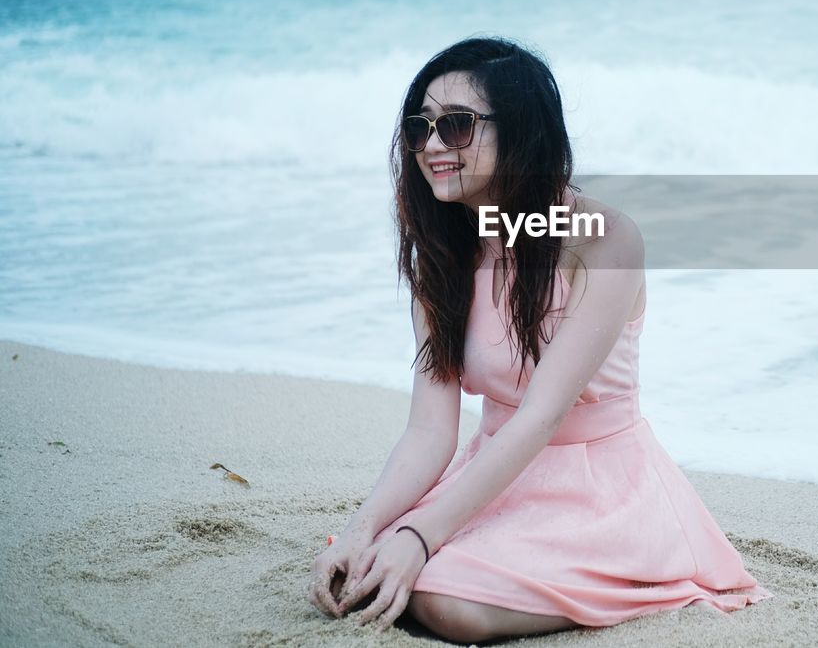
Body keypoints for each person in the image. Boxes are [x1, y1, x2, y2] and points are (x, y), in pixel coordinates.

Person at [307, 36, 772, 643]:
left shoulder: (603, 239)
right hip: (494, 469)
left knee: (448, 604)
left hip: (600, 489)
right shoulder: (446, 251)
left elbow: (539, 418)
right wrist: (363, 529)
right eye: (421, 128)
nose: (433, 146)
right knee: (372, 574)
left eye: (458, 126)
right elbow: (430, 429)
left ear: (521, 129)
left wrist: (419, 536)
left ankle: (648, 578)